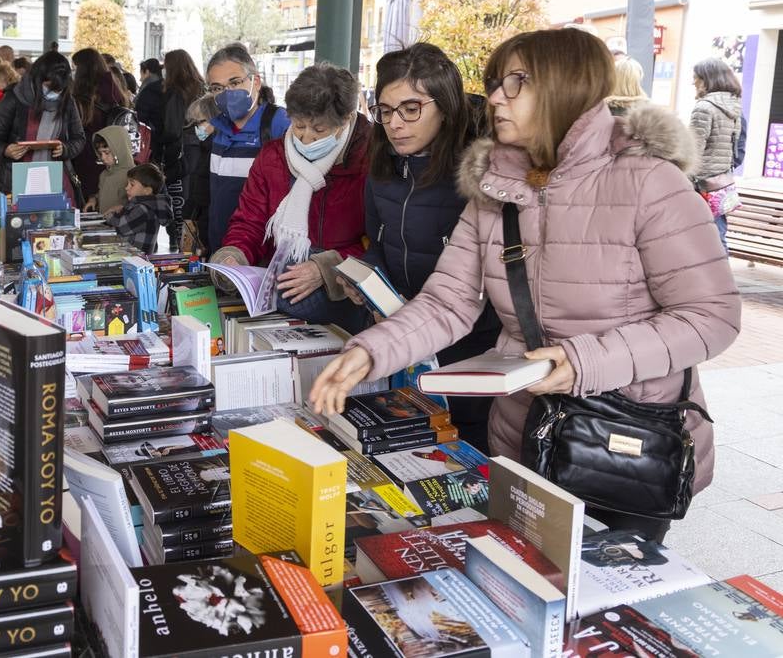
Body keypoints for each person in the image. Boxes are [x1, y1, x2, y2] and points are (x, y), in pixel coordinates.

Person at [310, 28, 740, 540]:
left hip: (624, 439)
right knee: (526, 584)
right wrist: (370, 352)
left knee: (606, 601)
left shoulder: (648, 181)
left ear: (569, 86)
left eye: (516, 82)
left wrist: (584, 362)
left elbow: (711, 315)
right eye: (495, 83)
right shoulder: (494, 189)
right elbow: (448, 302)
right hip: (522, 432)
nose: (494, 97)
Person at [360, 44, 502, 452]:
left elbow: (494, 280)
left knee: (468, 455)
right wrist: (370, 282)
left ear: (446, 106)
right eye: (384, 111)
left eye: (411, 109)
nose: (395, 124)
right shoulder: (385, 168)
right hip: (406, 344)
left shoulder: (480, 174)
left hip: (472, 351)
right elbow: (378, 243)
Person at [211, 64, 370, 332]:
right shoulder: (273, 156)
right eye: (299, 126)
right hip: (282, 308)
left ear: (345, 120)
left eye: (319, 130)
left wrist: (325, 269)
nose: (306, 138)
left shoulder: (370, 160)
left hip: (347, 310)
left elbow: (378, 245)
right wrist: (234, 256)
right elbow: (250, 222)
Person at [203, 43, 289, 256]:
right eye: (217, 88)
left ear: (256, 82)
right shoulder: (218, 128)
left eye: (234, 83)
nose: (226, 93)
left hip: (261, 256)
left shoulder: (281, 125)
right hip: (222, 252)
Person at [0, 50, 86, 199]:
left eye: (58, 89)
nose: (54, 93)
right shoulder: (14, 98)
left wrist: (65, 149)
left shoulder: (67, 101)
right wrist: (6, 150)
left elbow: (79, 138)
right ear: (38, 79)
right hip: (14, 177)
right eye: (49, 87)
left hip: (55, 177)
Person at [689, 58, 743, 253]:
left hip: (700, 182)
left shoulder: (704, 108)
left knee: (698, 236)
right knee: (716, 233)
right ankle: (721, 276)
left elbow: (692, 150)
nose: (693, 82)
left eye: (696, 78)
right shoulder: (734, 108)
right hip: (720, 182)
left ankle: (716, 279)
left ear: (707, 80)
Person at [160, 49, 206, 248]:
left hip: (180, 151)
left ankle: (178, 244)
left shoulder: (175, 93)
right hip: (200, 149)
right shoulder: (202, 88)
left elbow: (171, 129)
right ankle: (192, 244)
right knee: (193, 199)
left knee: (179, 200)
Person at [71, 48, 127, 204]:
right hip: (114, 157)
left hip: (89, 159)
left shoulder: (85, 97)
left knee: (89, 206)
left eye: (75, 68)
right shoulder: (114, 89)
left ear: (83, 70)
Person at [181, 94, 220, 255]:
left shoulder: (216, 148)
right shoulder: (205, 146)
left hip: (209, 219)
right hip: (202, 217)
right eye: (195, 123)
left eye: (201, 122)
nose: (198, 127)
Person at [103, 163, 172, 253]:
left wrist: (110, 215)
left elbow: (122, 227)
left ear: (147, 190)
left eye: (132, 184)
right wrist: (122, 209)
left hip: (135, 260)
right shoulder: (145, 206)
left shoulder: (143, 209)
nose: (126, 188)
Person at [86, 125, 135, 214]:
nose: (103, 158)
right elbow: (105, 193)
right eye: (100, 154)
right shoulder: (104, 174)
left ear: (120, 149)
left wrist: (124, 208)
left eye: (107, 153)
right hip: (104, 223)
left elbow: (141, 204)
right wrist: (94, 199)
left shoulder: (134, 175)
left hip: (124, 225)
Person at [135, 58, 165, 163]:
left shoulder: (148, 88)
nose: (140, 79)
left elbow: (140, 115)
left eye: (141, 74)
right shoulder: (165, 85)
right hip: (162, 139)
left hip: (150, 138)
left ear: (147, 72)